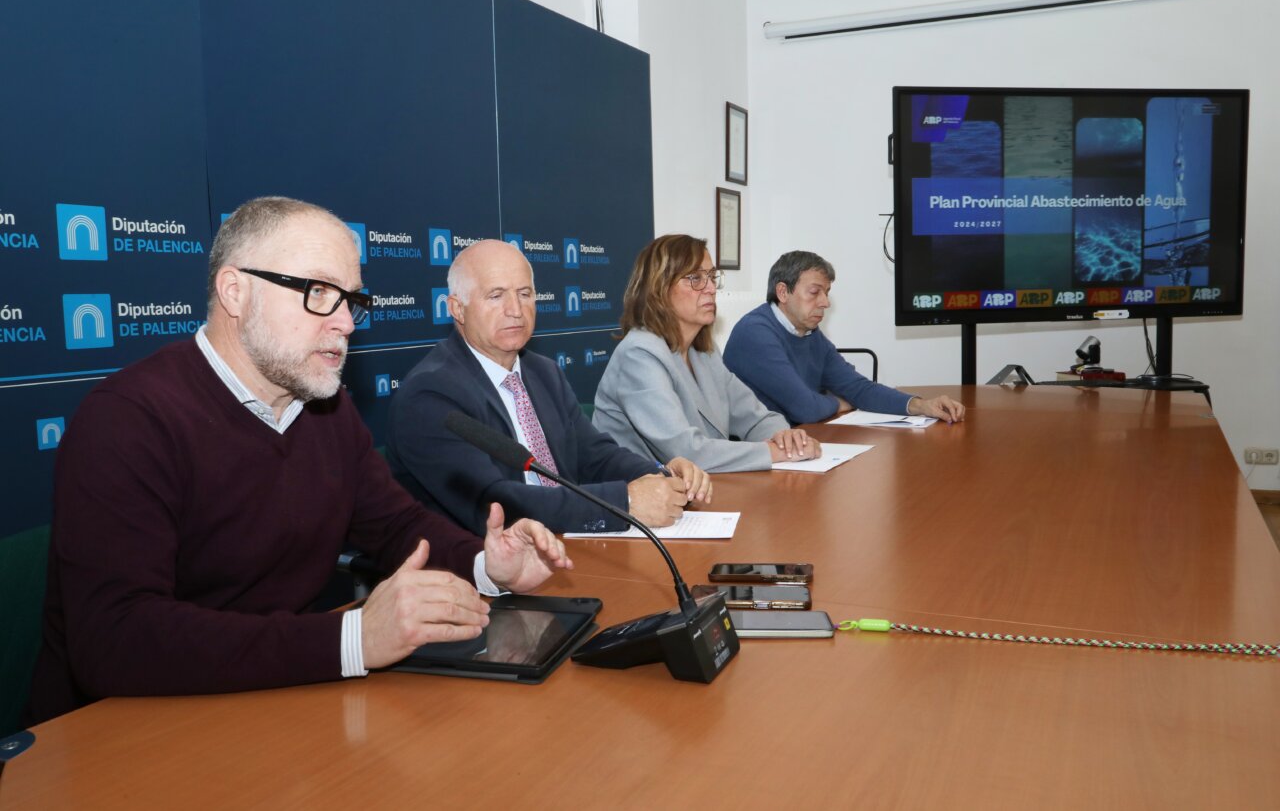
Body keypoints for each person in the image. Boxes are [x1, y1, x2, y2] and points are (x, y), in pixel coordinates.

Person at [26, 197, 573, 725]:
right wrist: (353, 639)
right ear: (235, 292)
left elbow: (396, 525)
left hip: (277, 703)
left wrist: (486, 564)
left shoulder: (324, 408)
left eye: (352, 300)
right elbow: (115, 639)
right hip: (125, 732)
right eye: (317, 292)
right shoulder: (128, 419)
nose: (346, 324)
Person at [386, 239, 711, 535]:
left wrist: (660, 474)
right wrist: (624, 501)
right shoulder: (430, 394)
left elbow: (594, 456)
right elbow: (495, 501)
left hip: (567, 543)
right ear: (457, 308)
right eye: (496, 296)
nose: (515, 310)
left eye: (525, 294)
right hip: (481, 571)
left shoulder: (543, 372)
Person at [592, 234, 820, 473]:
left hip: (702, 489)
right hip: (640, 497)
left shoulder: (704, 352)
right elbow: (686, 452)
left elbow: (754, 416)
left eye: (712, 277)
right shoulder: (638, 355)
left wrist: (785, 437)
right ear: (658, 288)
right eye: (695, 279)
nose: (711, 288)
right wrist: (773, 452)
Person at [723, 251, 965, 425]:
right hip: (758, 455)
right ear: (783, 292)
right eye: (815, 292)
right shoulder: (755, 333)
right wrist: (839, 403)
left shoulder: (809, 333)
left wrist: (922, 405)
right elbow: (805, 409)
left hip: (799, 442)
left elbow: (857, 388)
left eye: (826, 293)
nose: (825, 303)